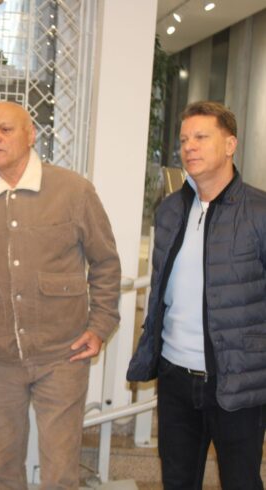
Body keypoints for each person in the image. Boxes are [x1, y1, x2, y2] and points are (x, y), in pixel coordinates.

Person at [0, 101, 121, 489]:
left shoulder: (74, 191)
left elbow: (105, 263)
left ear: (31, 135)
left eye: (5, 129)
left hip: (64, 354)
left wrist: (101, 324)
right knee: (3, 469)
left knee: (60, 472)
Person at [127, 101, 266, 490]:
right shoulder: (170, 211)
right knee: (177, 481)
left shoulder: (259, 212)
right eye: (184, 139)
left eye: (201, 137)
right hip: (175, 377)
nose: (189, 146)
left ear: (230, 144)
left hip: (237, 380)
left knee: (241, 482)